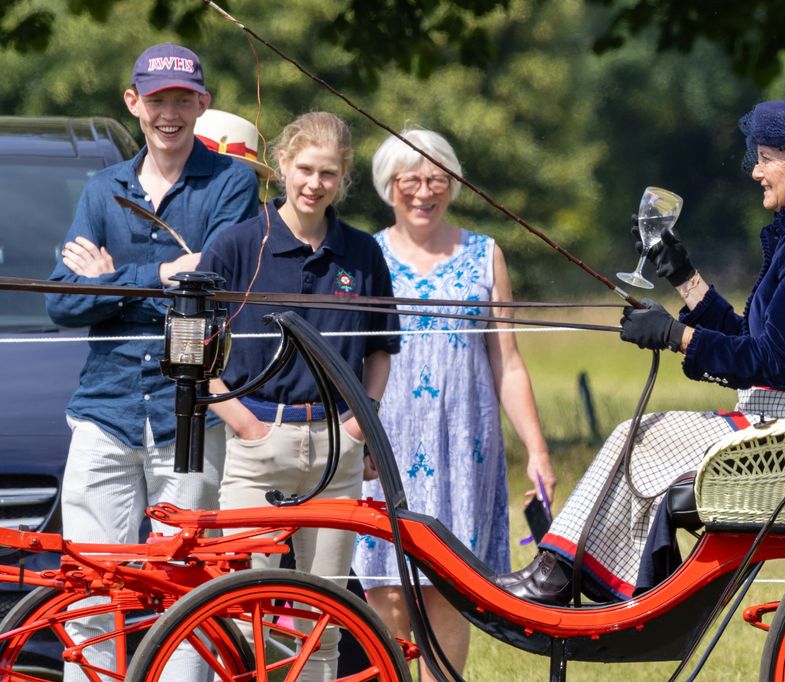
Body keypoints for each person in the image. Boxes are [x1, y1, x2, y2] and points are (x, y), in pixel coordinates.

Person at [497, 99, 785, 605]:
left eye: (765, 158)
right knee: (640, 435)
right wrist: (683, 275)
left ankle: (562, 573)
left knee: (640, 435)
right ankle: (566, 570)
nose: (757, 172)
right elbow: (753, 341)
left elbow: (769, 362)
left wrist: (676, 336)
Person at [45, 43, 259, 680]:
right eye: (157, 99)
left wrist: (113, 285)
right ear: (133, 103)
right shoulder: (101, 188)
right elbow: (61, 301)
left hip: (188, 414)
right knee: (89, 589)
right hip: (103, 411)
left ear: (203, 104)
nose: (170, 113)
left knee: (185, 594)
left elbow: (215, 287)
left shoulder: (232, 181)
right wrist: (164, 273)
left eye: (182, 99)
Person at [198, 111, 400, 681]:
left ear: (344, 179)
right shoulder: (238, 244)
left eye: (328, 174)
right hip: (259, 441)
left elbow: (382, 349)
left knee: (324, 616)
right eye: (305, 169)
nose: (314, 184)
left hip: (337, 446)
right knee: (242, 611)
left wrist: (363, 422)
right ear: (282, 165)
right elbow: (194, 348)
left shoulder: (361, 254)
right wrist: (242, 422)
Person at [351, 127, 556, 679]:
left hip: (465, 447)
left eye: (436, 179)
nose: (424, 191)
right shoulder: (366, 255)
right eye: (410, 180)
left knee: (448, 588)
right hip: (385, 443)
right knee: (386, 587)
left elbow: (507, 361)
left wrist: (536, 450)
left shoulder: (486, 255)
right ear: (388, 186)